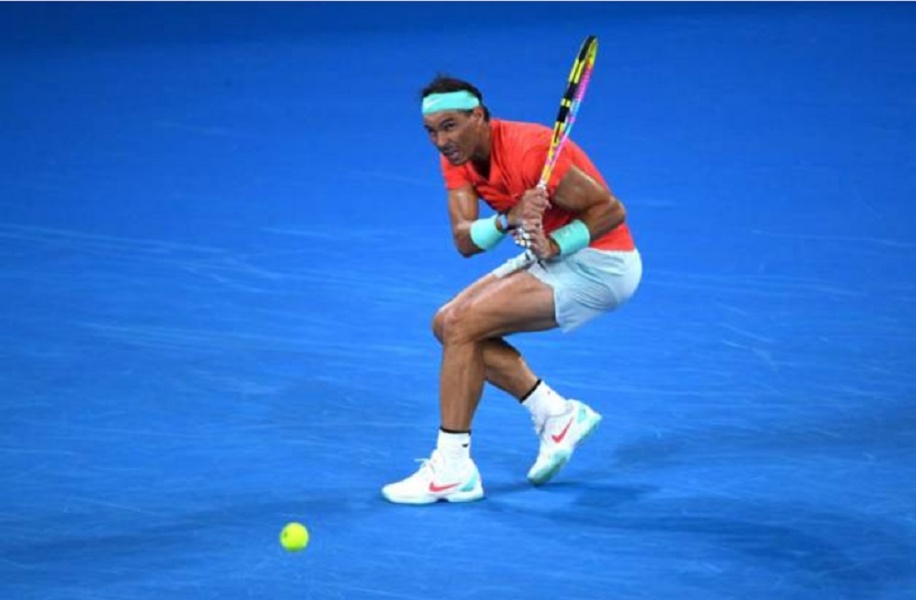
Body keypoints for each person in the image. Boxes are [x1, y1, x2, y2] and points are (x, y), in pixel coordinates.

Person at [381, 75, 642, 504]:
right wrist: (507, 219)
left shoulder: (530, 150)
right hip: (552, 257)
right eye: (431, 131)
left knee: (462, 324)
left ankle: (452, 470)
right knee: (446, 324)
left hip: (601, 264)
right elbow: (465, 241)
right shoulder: (458, 156)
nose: (441, 141)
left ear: (478, 116)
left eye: (450, 126)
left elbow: (611, 210)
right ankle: (556, 415)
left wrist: (557, 243)